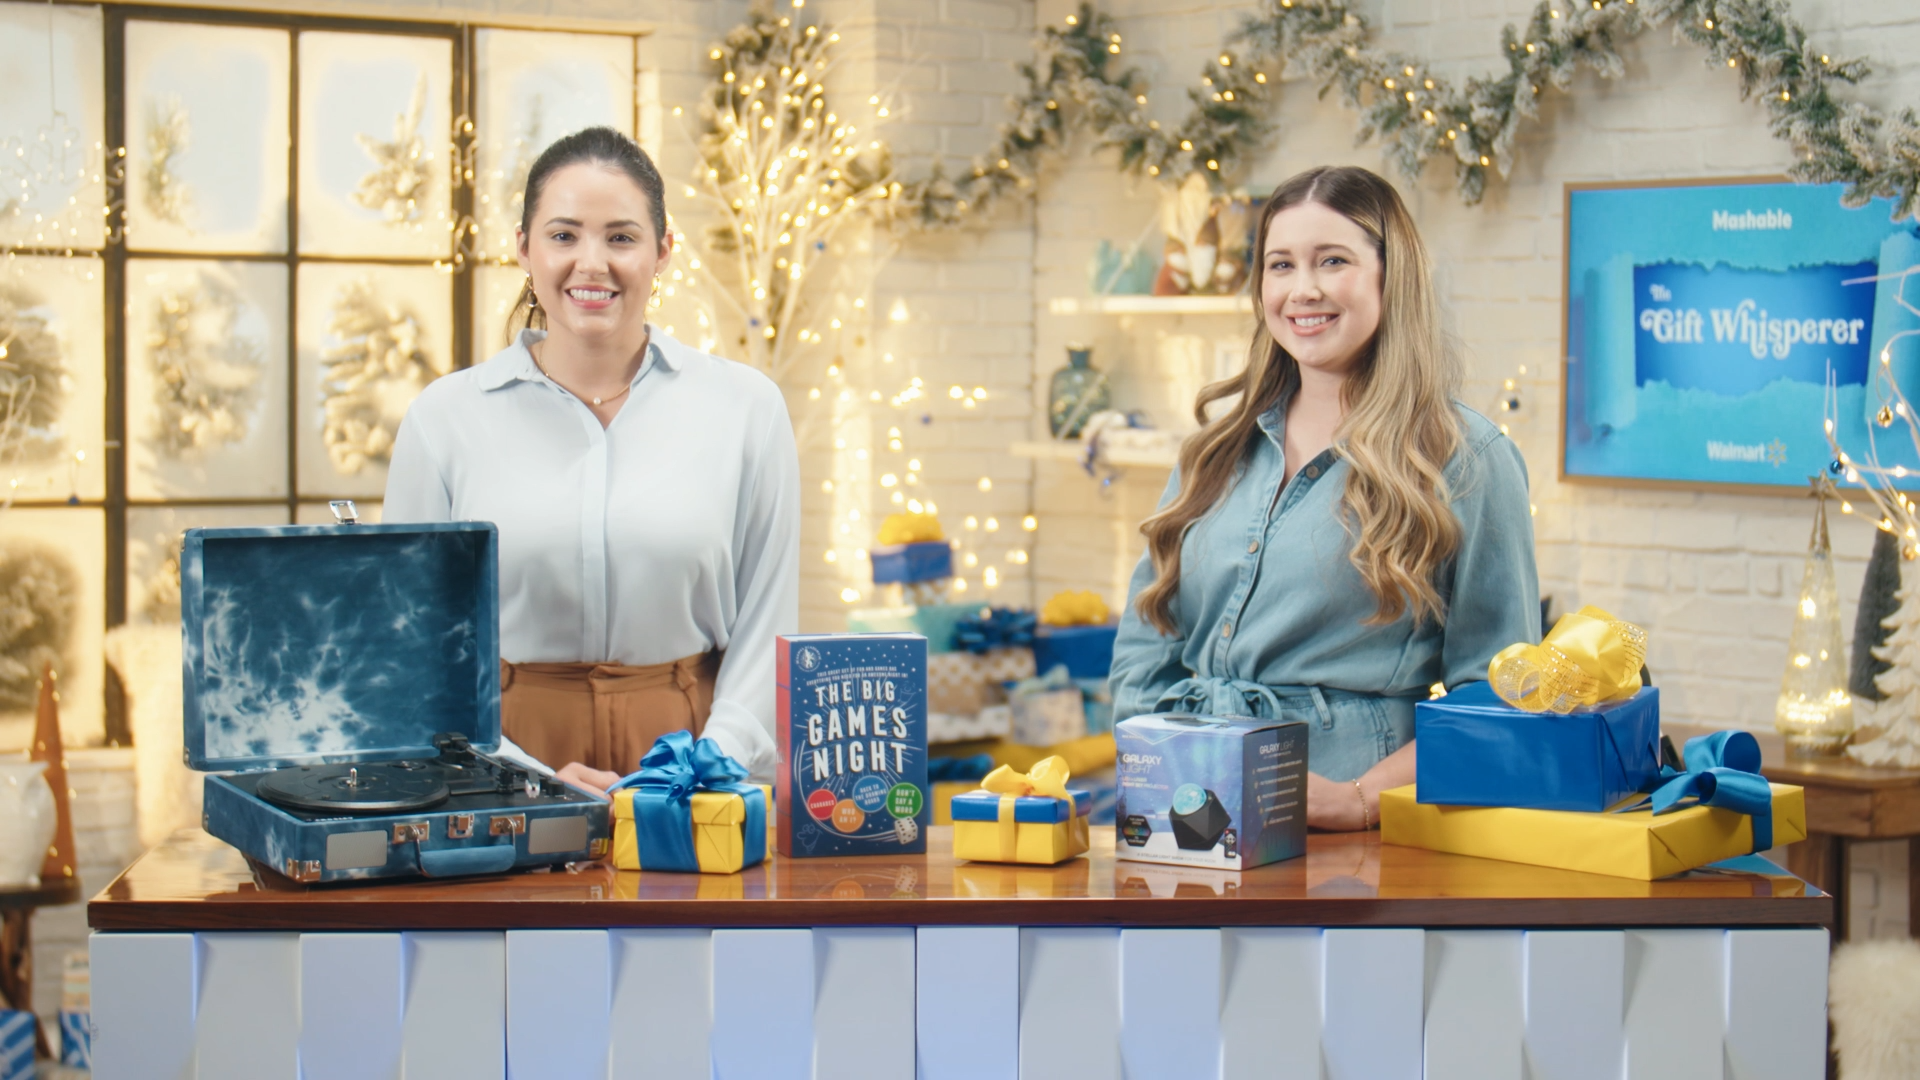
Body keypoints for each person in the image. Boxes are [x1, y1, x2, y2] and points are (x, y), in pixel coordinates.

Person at [1108, 165, 1539, 831]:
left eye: (1331, 260)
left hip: (1344, 829)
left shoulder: (1467, 459)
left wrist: (1360, 800)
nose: (1301, 289)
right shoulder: (1216, 448)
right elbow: (1149, 633)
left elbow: (1500, 696)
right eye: (1280, 265)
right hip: (1188, 813)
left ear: (1390, 276)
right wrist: (1154, 763)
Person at [384, 126, 799, 792]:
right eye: (563, 235)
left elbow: (766, 622)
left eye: (622, 237)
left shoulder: (746, 408)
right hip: (502, 758)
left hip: (693, 755)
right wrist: (526, 777)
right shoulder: (444, 419)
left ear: (663, 252)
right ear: (522, 247)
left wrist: (703, 768)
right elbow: (414, 644)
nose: (592, 263)